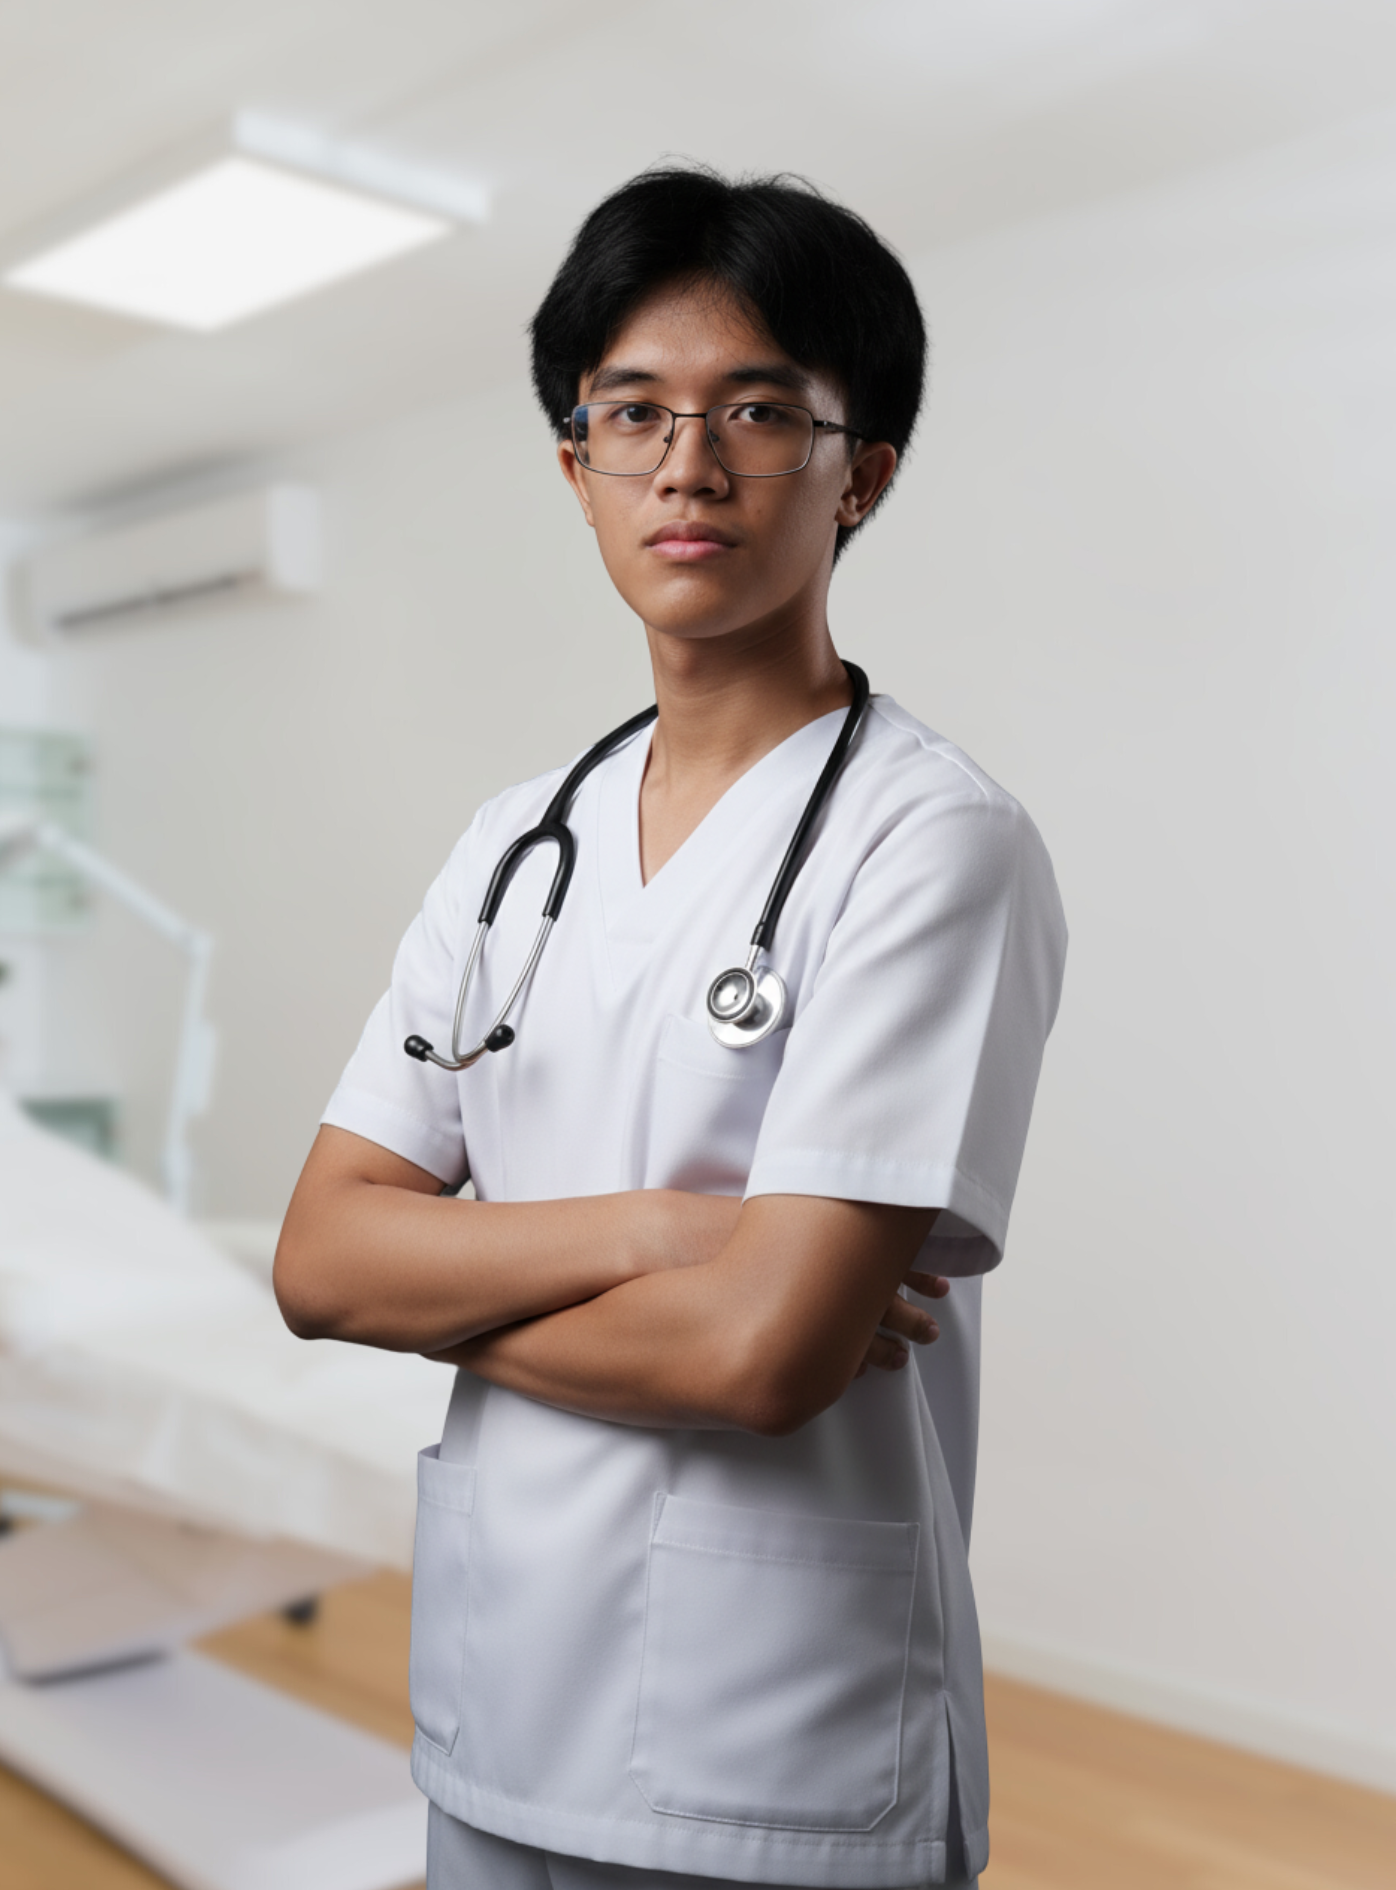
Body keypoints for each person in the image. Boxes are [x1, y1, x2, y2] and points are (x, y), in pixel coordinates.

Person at [272, 167, 1066, 1890]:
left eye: (758, 412)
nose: (687, 466)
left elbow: (761, 1357)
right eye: (633, 414)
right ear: (579, 469)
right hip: (498, 1701)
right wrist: (665, 1233)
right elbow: (321, 1262)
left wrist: (446, 1289)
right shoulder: (512, 847)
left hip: (782, 1746)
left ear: (864, 471)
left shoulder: (932, 842)